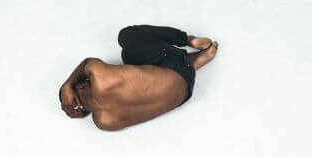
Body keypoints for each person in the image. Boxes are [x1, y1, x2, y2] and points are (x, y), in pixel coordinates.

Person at [58, 24, 219, 131]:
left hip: (184, 92)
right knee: (127, 36)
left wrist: (79, 110)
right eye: (84, 81)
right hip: (174, 66)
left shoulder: (104, 122)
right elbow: (87, 63)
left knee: (128, 56)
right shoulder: (100, 78)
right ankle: (188, 40)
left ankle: (193, 63)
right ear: (81, 86)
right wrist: (67, 85)